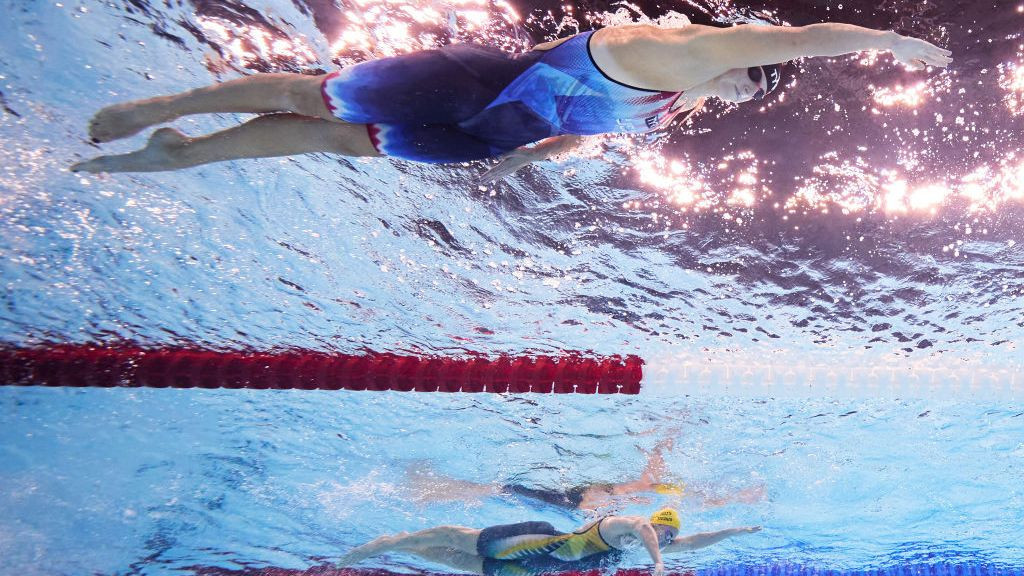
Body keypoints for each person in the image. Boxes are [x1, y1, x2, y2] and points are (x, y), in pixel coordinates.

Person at [70, 21, 951, 179]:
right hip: (469, 84)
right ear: (736, 49)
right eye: (749, 69)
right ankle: (159, 110)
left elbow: (579, 128)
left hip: (488, 133)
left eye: (751, 86)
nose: (742, 84)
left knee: (333, 141)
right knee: (318, 97)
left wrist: (538, 160)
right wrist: (891, 43)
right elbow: (800, 40)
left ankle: (176, 154)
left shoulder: (674, 103)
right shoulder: (675, 50)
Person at [336, 508, 761, 576]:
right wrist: (659, 563)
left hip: (538, 570)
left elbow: (699, 540)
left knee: (459, 563)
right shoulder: (623, 528)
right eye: (665, 532)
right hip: (533, 544)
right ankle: (392, 540)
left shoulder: (656, 543)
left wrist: (733, 532)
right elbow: (646, 530)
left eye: (671, 537)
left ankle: (403, 547)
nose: (668, 540)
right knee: (458, 538)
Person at [405, 438, 765, 512]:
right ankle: (432, 490)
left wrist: (660, 445)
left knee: (504, 489)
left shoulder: (666, 486)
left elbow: (646, 481)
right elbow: (705, 499)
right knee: (506, 490)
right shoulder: (671, 488)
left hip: (581, 500)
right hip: (582, 500)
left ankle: (432, 489)